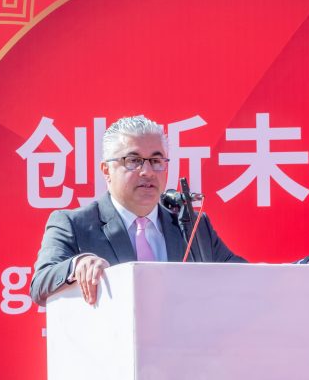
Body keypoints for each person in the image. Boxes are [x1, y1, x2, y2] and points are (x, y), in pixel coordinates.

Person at [30, 115, 245, 306]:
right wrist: (77, 264)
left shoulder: (192, 225)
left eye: (156, 161)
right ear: (106, 170)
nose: (147, 172)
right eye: (134, 161)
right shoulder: (74, 224)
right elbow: (40, 284)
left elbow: (244, 277)